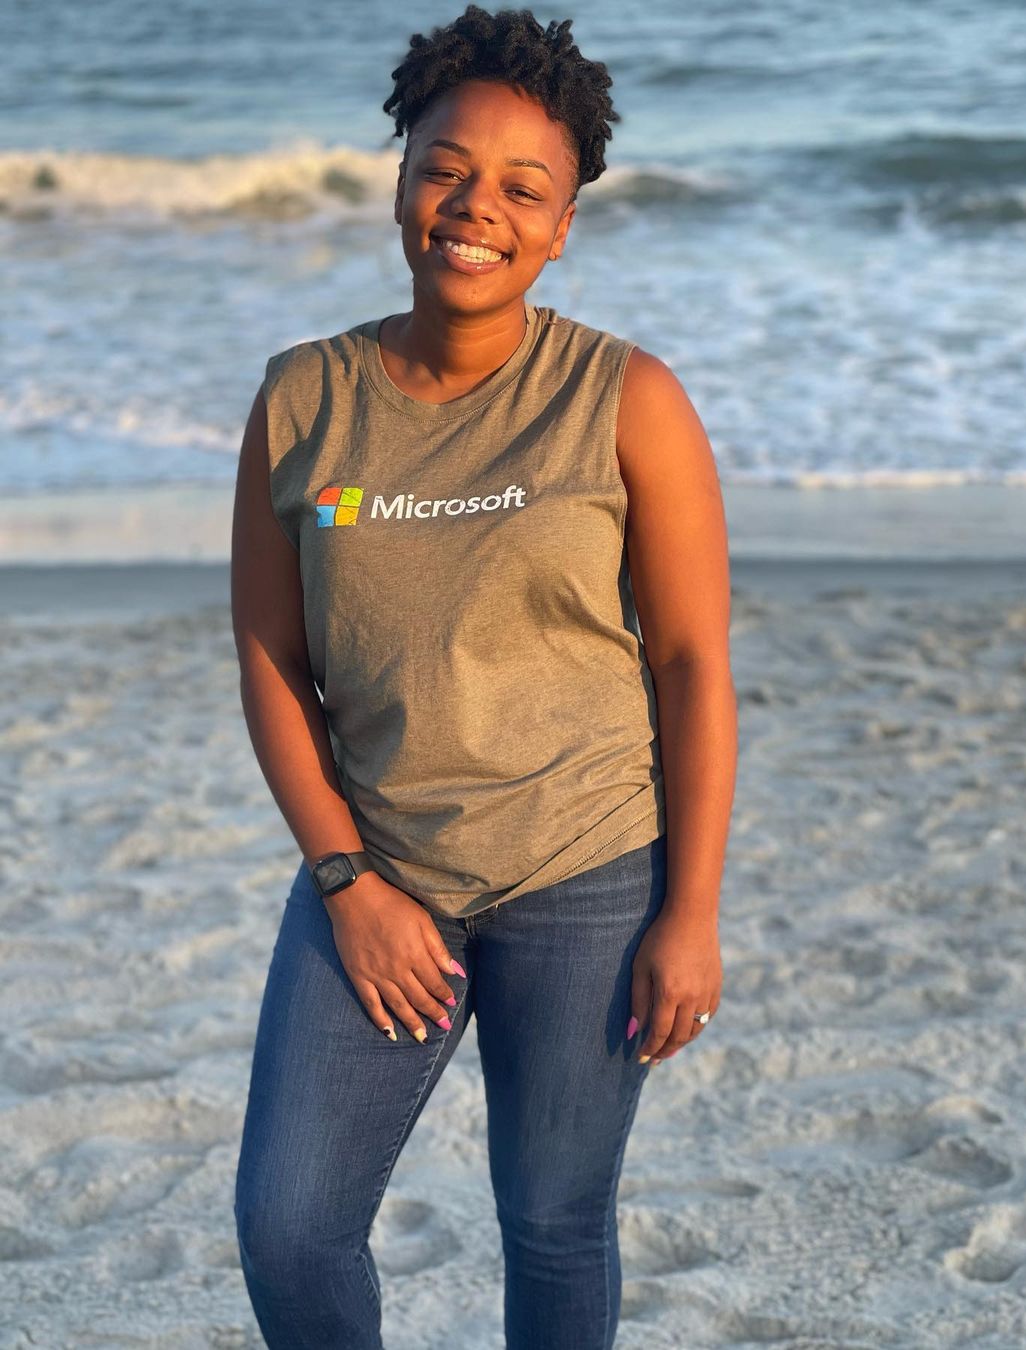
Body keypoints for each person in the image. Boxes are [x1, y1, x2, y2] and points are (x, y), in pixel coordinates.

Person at [230, 6, 736, 1347]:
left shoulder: (628, 398)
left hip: (588, 869)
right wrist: (347, 881)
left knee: (555, 1220)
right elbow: (272, 658)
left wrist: (691, 911)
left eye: (523, 188)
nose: (476, 209)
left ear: (562, 225)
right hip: (381, 864)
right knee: (289, 1223)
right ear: (401, 179)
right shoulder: (303, 400)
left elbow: (691, 662)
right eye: (446, 170)